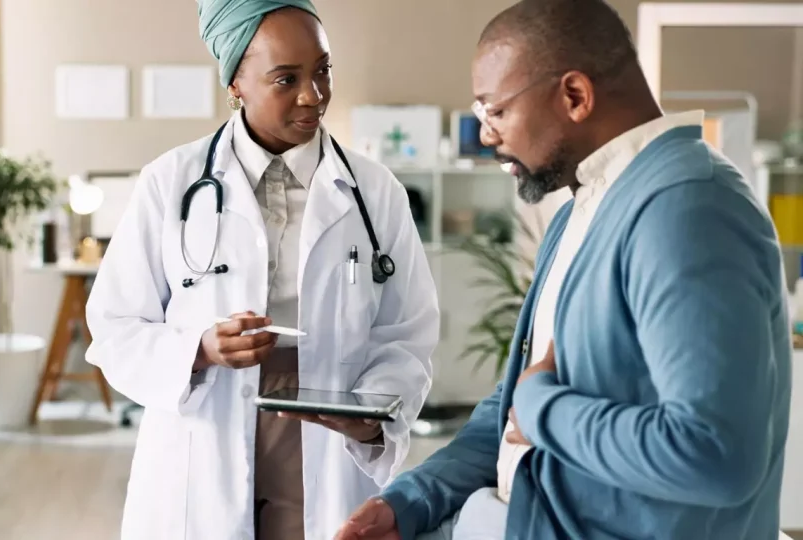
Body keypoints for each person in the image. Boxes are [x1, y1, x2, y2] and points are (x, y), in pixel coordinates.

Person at [334, 0, 792, 539]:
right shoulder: (584, 208)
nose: (485, 135)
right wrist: (410, 501)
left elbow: (717, 455)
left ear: (575, 96)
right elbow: (513, 410)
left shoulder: (688, 207)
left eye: (495, 111)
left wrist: (542, 406)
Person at [84, 1, 439, 538]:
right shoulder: (170, 183)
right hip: (206, 424)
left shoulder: (375, 191)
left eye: (322, 70)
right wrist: (199, 349)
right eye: (285, 78)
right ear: (235, 85)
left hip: (327, 425)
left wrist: (369, 416)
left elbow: (407, 332)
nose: (312, 95)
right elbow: (114, 326)